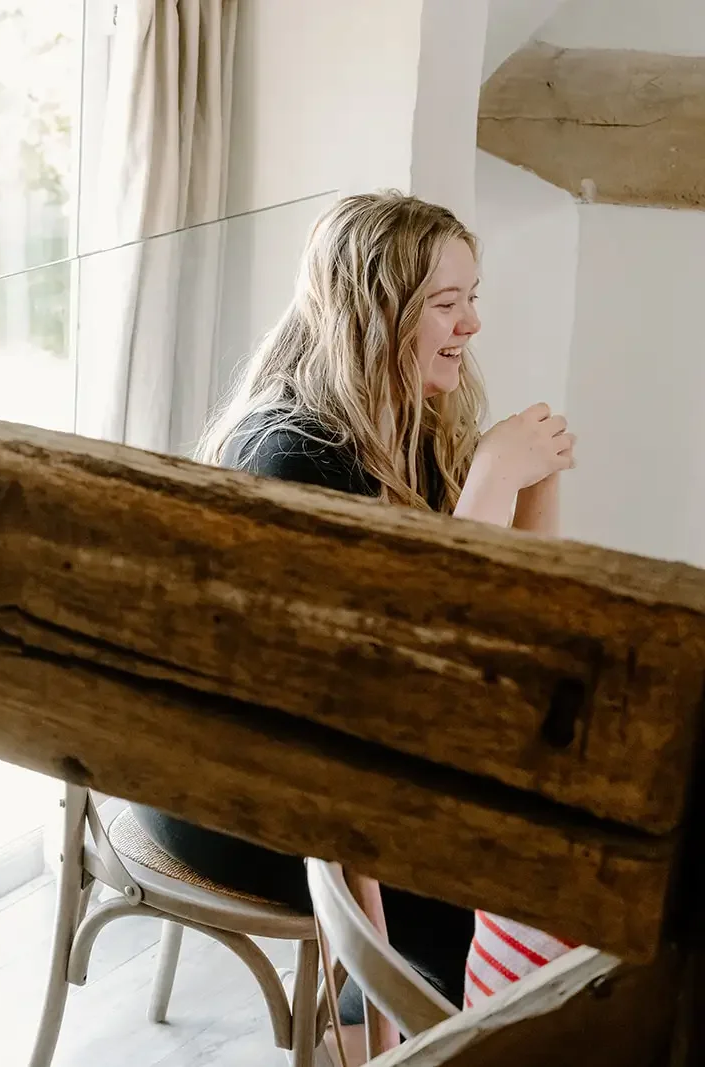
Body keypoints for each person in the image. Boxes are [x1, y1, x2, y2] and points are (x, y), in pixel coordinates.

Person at [127, 191, 576, 1035]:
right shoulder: (293, 457)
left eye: (473, 296)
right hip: (238, 795)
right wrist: (488, 484)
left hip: (338, 772)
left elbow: (516, 619)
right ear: (375, 312)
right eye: (447, 303)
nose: (471, 323)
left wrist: (533, 479)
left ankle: (408, 1013)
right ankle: (410, 1026)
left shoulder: (412, 416)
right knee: (496, 877)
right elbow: (388, 678)